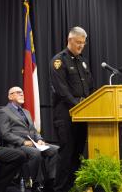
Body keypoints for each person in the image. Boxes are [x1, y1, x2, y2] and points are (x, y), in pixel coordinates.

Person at [49, 26, 94, 192]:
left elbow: (90, 87)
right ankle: (60, 189)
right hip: (66, 115)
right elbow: (62, 90)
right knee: (66, 154)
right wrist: (80, 106)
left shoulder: (82, 61)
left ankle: (74, 187)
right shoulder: (58, 61)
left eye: (83, 43)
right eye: (78, 43)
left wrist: (91, 105)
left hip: (82, 115)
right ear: (70, 40)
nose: (81, 46)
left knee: (78, 154)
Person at [0, 86, 59, 192]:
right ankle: (33, 183)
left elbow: (33, 130)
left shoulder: (26, 111)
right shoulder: (3, 112)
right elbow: (5, 133)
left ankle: (50, 181)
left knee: (55, 149)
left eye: (22, 92)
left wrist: (39, 139)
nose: (22, 94)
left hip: (33, 143)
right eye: (18, 92)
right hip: (17, 145)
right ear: (10, 96)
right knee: (35, 153)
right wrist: (23, 141)